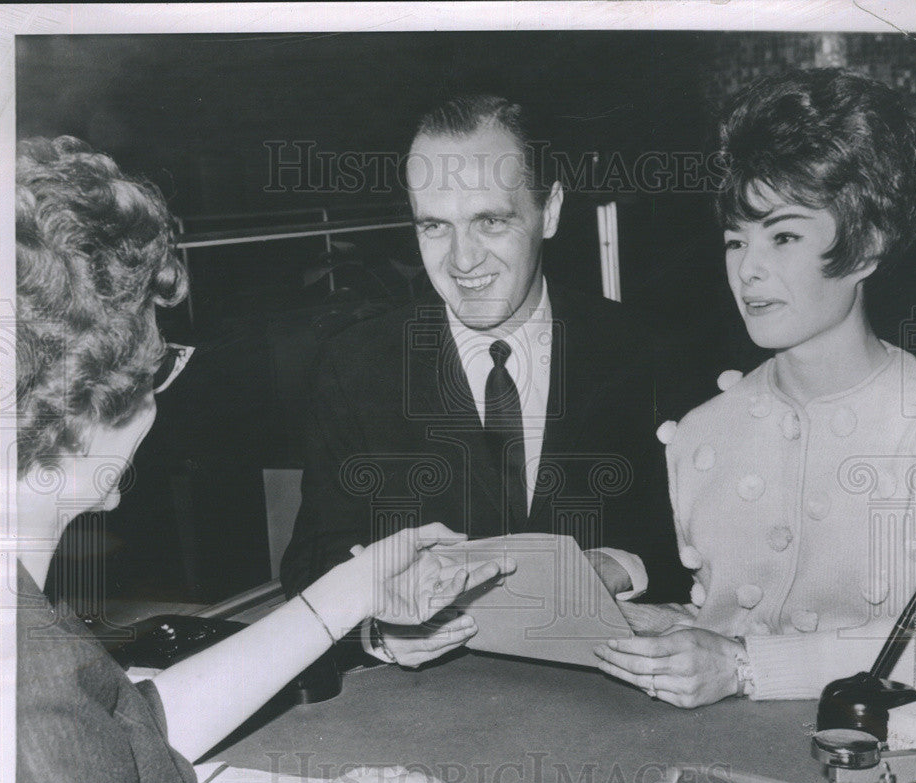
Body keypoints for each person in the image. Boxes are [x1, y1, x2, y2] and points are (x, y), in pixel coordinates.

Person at [15, 135, 514, 783]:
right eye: (153, 369)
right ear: (80, 402)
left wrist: (354, 589)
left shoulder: (24, 616)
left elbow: (134, 736)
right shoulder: (27, 680)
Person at [595, 69, 916, 744]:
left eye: (783, 236)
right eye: (736, 240)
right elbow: (722, 619)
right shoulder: (700, 434)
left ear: (865, 246)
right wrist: (661, 628)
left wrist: (748, 665)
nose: (747, 270)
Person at [281, 94, 711, 668]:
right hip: (429, 718)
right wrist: (380, 632)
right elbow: (312, 561)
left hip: (620, 710)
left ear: (550, 210)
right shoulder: (356, 366)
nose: (462, 260)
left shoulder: (651, 354)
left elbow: (706, 552)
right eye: (435, 226)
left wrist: (619, 566)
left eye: (490, 221)